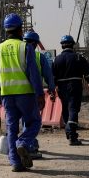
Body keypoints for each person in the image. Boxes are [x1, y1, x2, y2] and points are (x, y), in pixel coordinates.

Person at [0, 14, 46, 172]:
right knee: (34, 123)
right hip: (25, 94)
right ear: (20, 29)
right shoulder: (25, 47)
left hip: (7, 95)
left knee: (11, 128)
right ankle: (23, 143)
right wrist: (39, 94)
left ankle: (16, 163)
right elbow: (33, 73)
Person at [52, 35, 89, 145]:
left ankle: (69, 131)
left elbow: (52, 76)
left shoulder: (56, 59)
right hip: (74, 86)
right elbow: (88, 73)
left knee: (66, 108)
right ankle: (72, 135)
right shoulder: (78, 57)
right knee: (73, 109)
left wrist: (53, 88)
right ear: (73, 45)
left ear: (62, 45)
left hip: (61, 88)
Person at [23, 31, 56, 159]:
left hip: (16, 94)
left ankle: (31, 143)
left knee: (25, 121)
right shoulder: (38, 56)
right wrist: (52, 89)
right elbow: (48, 75)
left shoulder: (17, 55)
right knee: (33, 121)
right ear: (36, 44)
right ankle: (28, 146)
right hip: (33, 93)